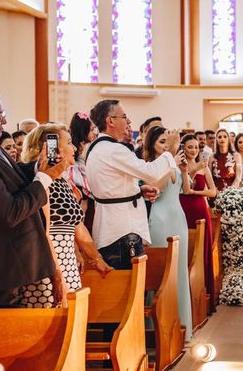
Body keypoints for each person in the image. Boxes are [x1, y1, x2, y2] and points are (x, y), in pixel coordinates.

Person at [0, 90, 66, 308]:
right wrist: (43, 178)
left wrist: (39, 166)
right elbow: (8, 213)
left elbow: (16, 179)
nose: (4, 121)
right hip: (0, 271)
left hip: (17, 266)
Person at [21, 124, 113, 303]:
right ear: (51, 148)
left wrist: (96, 259)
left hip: (68, 263)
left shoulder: (62, 180)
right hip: (48, 266)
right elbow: (44, 230)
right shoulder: (42, 181)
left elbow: (77, 225)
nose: (73, 148)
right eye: (69, 143)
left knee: (72, 324)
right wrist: (55, 272)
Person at [85, 100, 181, 270]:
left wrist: (137, 191)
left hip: (111, 228)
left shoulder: (96, 148)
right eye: (124, 117)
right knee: (132, 290)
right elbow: (151, 172)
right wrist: (171, 149)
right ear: (110, 121)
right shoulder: (114, 149)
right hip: (123, 232)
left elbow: (110, 188)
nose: (129, 122)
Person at [145, 126, 194, 341]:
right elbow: (156, 186)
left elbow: (186, 190)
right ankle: (158, 329)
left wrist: (182, 169)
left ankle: (182, 326)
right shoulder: (149, 167)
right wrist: (171, 159)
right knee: (161, 272)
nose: (165, 146)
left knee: (180, 272)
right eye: (161, 142)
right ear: (152, 145)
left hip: (178, 219)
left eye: (168, 142)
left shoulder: (173, 165)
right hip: (161, 221)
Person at [178, 134, 216, 309]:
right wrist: (192, 171)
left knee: (203, 247)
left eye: (196, 147)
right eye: (189, 147)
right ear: (183, 148)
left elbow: (213, 192)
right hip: (183, 208)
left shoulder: (204, 167)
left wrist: (197, 194)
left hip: (200, 208)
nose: (193, 150)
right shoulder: (180, 167)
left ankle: (205, 291)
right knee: (187, 247)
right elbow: (185, 189)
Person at [68, 111, 98, 231]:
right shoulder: (83, 146)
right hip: (78, 181)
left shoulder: (88, 145)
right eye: (91, 130)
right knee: (82, 209)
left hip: (84, 180)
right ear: (83, 131)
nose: (94, 133)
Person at [208, 128, 242, 193]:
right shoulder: (211, 157)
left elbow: (238, 177)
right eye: (219, 137)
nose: (222, 139)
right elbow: (209, 178)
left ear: (228, 139)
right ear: (216, 140)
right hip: (215, 191)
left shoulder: (236, 156)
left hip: (232, 191)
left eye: (225, 136)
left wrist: (230, 192)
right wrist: (216, 191)